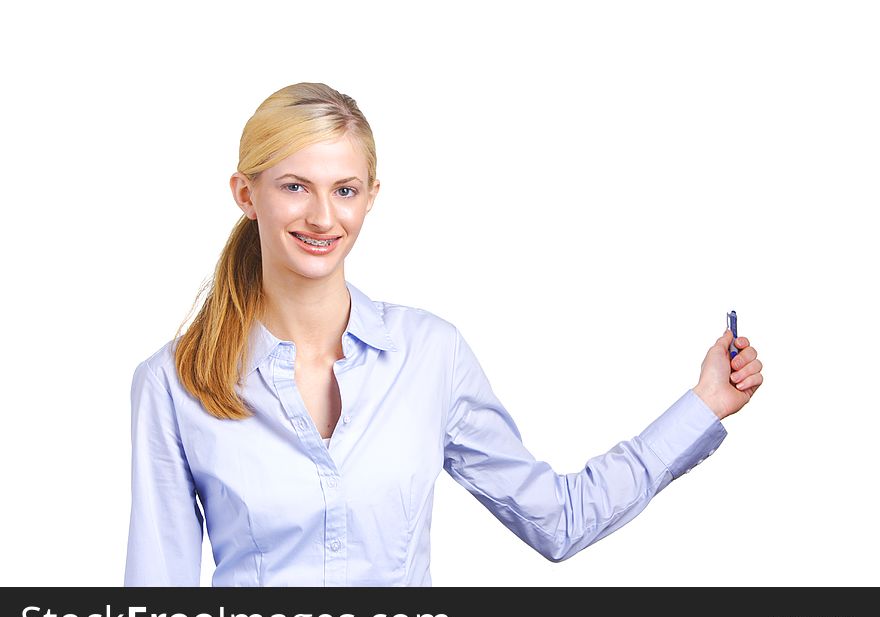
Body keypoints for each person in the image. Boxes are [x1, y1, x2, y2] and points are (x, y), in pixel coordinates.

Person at [124, 82, 763, 587]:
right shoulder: (173, 382)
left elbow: (559, 521)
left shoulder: (430, 356)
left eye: (344, 190)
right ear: (245, 193)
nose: (323, 216)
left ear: (371, 196)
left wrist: (704, 403)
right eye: (294, 186)